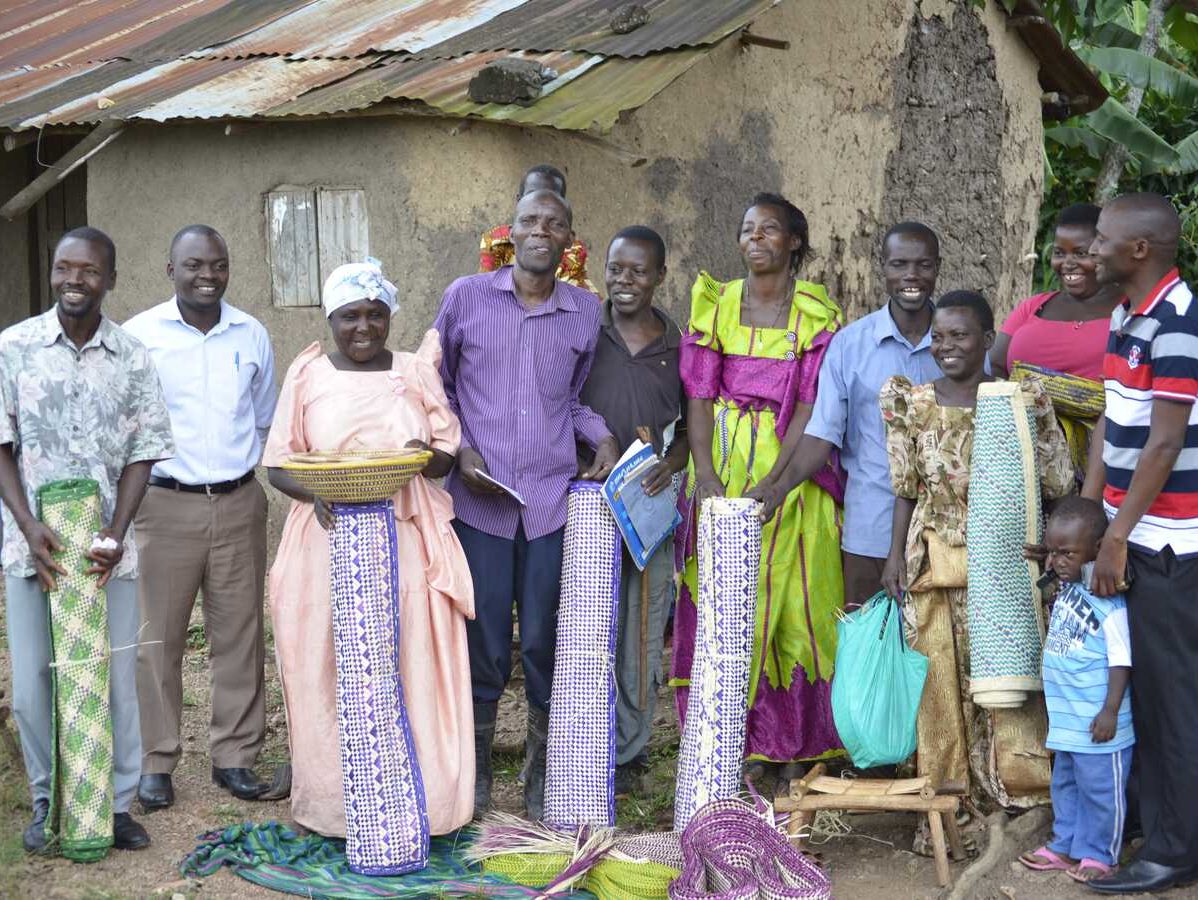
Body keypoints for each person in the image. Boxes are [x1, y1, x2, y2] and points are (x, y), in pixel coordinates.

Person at [262, 260, 475, 837]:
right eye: (350, 316)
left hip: (405, 537)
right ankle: (339, 806)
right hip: (326, 542)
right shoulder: (307, 375)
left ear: (389, 317)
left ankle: (424, 802)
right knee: (332, 666)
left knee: (410, 660)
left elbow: (444, 457)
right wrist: (318, 494)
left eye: (375, 315)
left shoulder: (413, 372)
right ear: (331, 318)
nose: (364, 327)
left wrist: (420, 452)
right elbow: (279, 463)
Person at [435, 188, 619, 822]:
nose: (542, 231)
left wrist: (603, 436)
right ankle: (478, 774)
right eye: (530, 221)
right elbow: (440, 390)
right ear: (509, 233)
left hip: (547, 502)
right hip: (481, 499)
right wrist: (461, 454)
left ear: (569, 240)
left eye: (555, 223)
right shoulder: (465, 298)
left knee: (544, 637)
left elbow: (571, 401)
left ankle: (544, 772)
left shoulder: (583, 313)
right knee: (485, 636)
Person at [0, 227, 174, 852]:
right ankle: (49, 802)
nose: (75, 280)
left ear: (111, 279)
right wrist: (26, 523)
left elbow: (144, 452)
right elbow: (2, 445)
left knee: (115, 678)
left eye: (89, 271)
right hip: (33, 549)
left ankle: (118, 803)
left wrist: (117, 533)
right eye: (64, 269)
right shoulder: (13, 348)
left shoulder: (132, 356)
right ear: (53, 274)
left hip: (105, 554)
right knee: (32, 685)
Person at [880, 291, 1073, 853]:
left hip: (1010, 562)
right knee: (940, 683)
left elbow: (1058, 480)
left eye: (960, 335)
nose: (946, 347)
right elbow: (905, 489)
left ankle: (1017, 794)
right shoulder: (908, 402)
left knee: (1012, 683)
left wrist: (1055, 557)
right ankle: (950, 805)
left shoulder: (1021, 398)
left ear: (989, 339)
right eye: (938, 337)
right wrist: (894, 556)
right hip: (935, 558)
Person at [672, 192, 845, 786]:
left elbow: (806, 405)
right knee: (725, 603)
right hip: (720, 460)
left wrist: (777, 482)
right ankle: (728, 744)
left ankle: (797, 745)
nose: (755, 240)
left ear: (794, 242)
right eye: (747, 230)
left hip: (793, 469)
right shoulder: (714, 306)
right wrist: (708, 477)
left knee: (798, 602)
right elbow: (698, 395)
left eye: (769, 230)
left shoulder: (817, 315)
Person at [124, 225, 277, 811]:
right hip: (162, 505)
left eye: (217, 264)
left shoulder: (252, 334)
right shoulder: (141, 336)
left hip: (239, 501)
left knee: (238, 636)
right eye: (193, 265)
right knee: (154, 640)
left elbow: (264, 419)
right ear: (170, 270)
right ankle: (155, 761)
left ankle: (235, 756)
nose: (207, 276)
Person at [1082, 194, 1198, 895]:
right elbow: (1110, 422)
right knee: (1150, 696)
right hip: (1132, 530)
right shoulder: (1128, 315)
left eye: (1101, 240)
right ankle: (1161, 829)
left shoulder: (1180, 321)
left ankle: (1176, 852)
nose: (1090, 250)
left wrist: (1117, 539)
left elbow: (1163, 442)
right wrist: (1092, 514)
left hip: (1169, 542)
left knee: (1173, 698)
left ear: (1139, 251)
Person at [750, 222, 943, 608]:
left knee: (938, 657)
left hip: (945, 531)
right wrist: (777, 487)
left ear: (938, 267)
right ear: (882, 267)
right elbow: (823, 436)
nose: (911, 276)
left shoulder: (957, 341)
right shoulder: (850, 345)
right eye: (899, 264)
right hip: (872, 525)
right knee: (865, 647)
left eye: (923, 265)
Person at [577, 225, 688, 796]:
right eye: (616, 269)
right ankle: (579, 747)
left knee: (642, 632)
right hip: (587, 504)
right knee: (584, 629)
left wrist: (674, 461)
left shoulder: (679, 345)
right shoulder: (583, 330)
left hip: (648, 507)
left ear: (660, 277)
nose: (625, 281)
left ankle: (630, 752)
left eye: (638, 271)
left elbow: (695, 425)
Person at [1019, 497, 1133, 884]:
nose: (1057, 561)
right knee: (1065, 785)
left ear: (1098, 550)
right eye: (1053, 552)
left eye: (1067, 553)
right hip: (1068, 721)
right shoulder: (1067, 587)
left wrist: (1111, 711)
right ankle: (1065, 843)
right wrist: (1045, 559)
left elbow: (1121, 660)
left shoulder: (1110, 602)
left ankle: (1101, 854)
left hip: (1100, 722)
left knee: (1102, 792)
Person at [991, 204, 1121, 477]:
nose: (1068, 263)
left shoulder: (1128, 311)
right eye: (1060, 253)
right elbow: (995, 365)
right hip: (1020, 454)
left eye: (1081, 253)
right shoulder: (1034, 307)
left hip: (1100, 463)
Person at [478, 164, 598, 293]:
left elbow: (574, 296)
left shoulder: (571, 250)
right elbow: (484, 289)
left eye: (551, 196)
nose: (541, 201)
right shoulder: (496, 241)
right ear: (519, 200)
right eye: (533, 194)